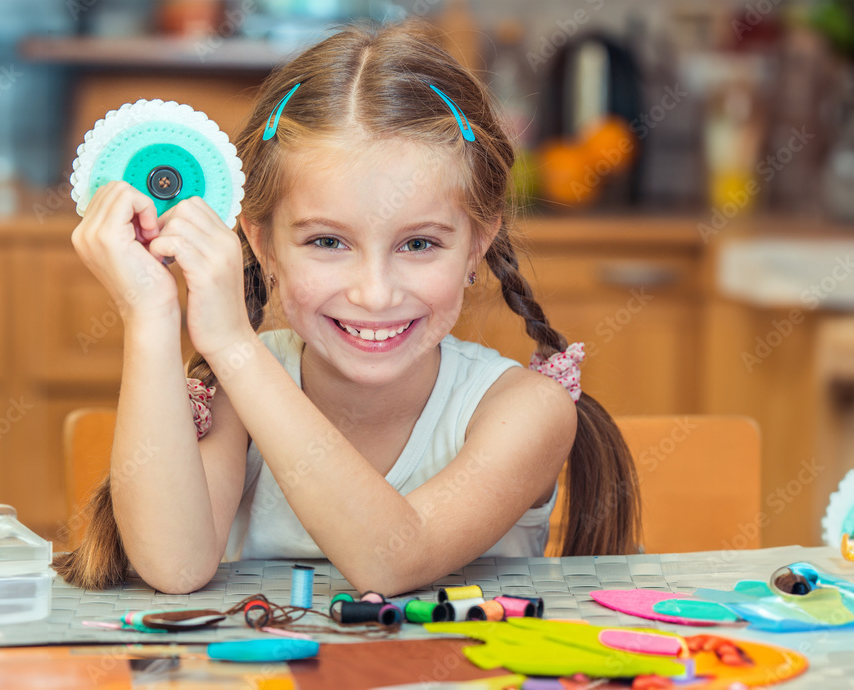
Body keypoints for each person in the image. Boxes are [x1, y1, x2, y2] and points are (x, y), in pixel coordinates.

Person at [53, 18, 640, 595]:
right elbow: (175, 567)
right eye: (328, 242)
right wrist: (150, 314)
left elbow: (395, 560)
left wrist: (234, 345)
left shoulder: (526, 411)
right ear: (263, 245)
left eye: (419, 244)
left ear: (477, 247)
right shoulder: (238, 390)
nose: (375, 292)